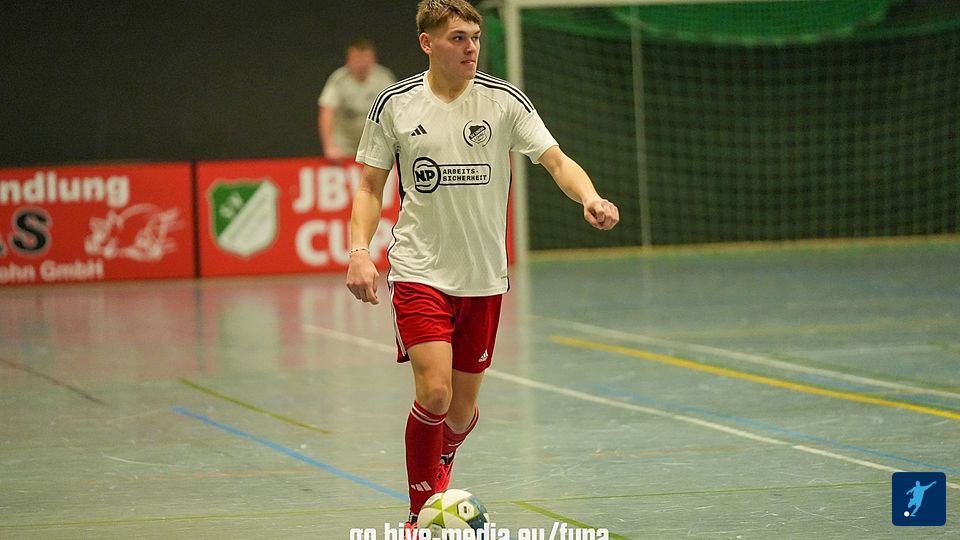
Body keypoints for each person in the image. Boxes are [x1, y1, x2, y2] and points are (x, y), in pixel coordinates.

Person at [345, 0, 620, 530]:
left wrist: (590, 197)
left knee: (460, 412)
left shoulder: (504, 101)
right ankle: (419, 514)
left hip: (483, 277)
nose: (471, 47)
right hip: (419, 270)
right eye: (458, 38)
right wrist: (360, 251)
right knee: (435, 392)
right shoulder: (394, 104)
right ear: (427, 43)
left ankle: (443, 455)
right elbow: (369, 187)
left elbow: (556, 160)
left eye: (474, 37)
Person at [317, 38, 395, 159]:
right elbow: (327, 112)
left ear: (374, 60)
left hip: (375, 141)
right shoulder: (339, 79)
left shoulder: (383, 78)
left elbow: (396, 111)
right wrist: (330, 147)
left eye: (366, 58)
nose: (362, 64)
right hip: (345, 143)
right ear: (348, 61)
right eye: (357, 59)